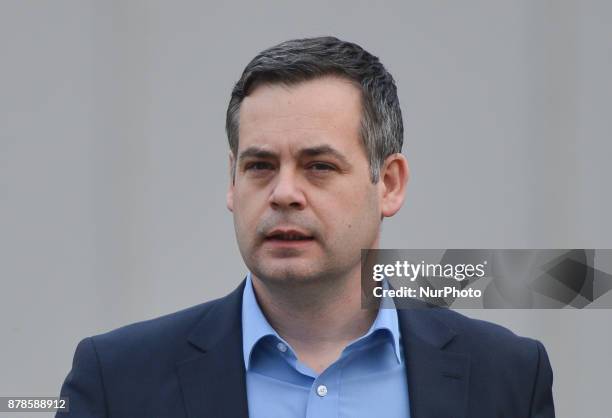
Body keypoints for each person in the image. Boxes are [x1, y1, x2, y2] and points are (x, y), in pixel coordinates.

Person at [57, 36, 555, 418]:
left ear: (390, 183)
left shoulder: (506, 377)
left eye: (318, 166)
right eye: (260, 166)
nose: (284, 193)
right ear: (232, 183)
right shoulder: (118, 380)